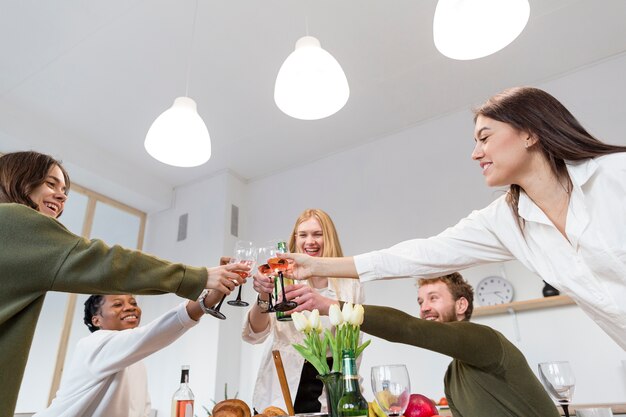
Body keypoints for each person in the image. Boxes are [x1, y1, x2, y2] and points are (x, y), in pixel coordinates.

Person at [279, 87, 626, 350]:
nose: (475, 153)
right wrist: (315, 267)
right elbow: (419, 255)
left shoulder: (615, 176)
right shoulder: (503, 221)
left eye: (485, 138)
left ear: (530, 133)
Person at [0, 151, 249, 416]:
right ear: (19, 180)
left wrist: (204, 294)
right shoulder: (95, 345)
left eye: (64, 189)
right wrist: (200, 279)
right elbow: (107, 263)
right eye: (51, 184)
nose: (62, 196)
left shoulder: (135, 364)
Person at [314, 273, 560, 417]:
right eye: (421, 301)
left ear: (461, 305)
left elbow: (407, 328)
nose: (424, 308)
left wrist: (331, 306)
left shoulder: (486, 340)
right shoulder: (452, 376)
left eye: (434, 298)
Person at [242, 209, 364, 413]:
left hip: (330, 385)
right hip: (281, 386)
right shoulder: (284, 277)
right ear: (295, 239)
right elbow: (254, 335)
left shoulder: (351, 284)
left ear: (330, 237)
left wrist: (352, 389)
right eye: (303, 235)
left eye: (317, 234)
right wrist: (264, 296)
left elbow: (354, 342)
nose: (310, 241)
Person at [34, 290, 226, 417]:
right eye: (117, 304)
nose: (130, 307)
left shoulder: (134, 361)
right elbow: (151, 335)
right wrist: (205, 300)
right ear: (96, 320)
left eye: (133, 302)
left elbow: (140, 411)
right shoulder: (93, 344)